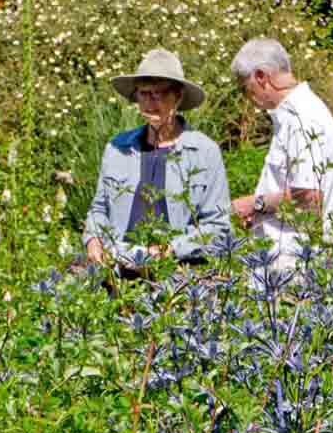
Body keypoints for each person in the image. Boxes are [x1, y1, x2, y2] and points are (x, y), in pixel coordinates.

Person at [82, 48, 234, 280]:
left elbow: (218, 227)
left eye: (159, 94)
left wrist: (171, 249)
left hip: (177, 277)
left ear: (178, 96)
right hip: (117, 277)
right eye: (144, 93)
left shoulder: (204, 152)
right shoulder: (117, 148)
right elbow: (99, 208)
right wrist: (93, 239)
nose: (150, 103)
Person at [229, 38, 333, 271]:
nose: (247, 96)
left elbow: (310, 197)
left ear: (261, 77)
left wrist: (254, 204)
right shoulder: (295, 113)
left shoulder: (301, 117)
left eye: (245, 87)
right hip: (293, 255)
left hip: (299, 261)